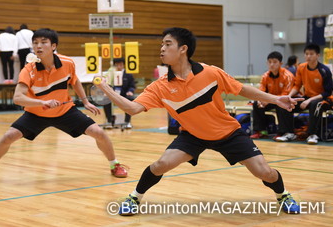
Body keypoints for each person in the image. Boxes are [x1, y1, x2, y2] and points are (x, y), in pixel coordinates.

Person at [95, 27, 301, 216]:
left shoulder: (210, 73)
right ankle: (134, 198)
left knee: (264, 172)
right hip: (193, 135)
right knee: (161, 164)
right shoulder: (159, 87)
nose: (162, 48)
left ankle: (283, 194)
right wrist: (106, 88)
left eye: (168, 44)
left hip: (227, 132)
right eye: (162, 44)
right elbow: (131, 108)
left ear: (183, 49)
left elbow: (241, 89)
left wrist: (276, 99)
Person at [0, 28, 128, 183]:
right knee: (9, 136)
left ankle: (114, 165)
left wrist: (85, 101)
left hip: (65, 111)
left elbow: (75, 81)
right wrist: (42, 102)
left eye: (43, 42)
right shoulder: (29, 70)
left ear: (53, 46)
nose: (38, 46)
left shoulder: (67, 63)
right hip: (36, 114)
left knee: (99, 133)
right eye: (35, 43)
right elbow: (18, 98)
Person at [288, 43, 333, 145]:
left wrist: (309, 100)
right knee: (288, 103)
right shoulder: (301, 67)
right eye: (306, 54)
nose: (308, 56)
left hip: (325, 99)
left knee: (315, 104)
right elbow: (297, 85)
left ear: (317, 55)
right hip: (307, 97)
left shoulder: (324, 70)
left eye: (311, 54)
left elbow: (327, 92)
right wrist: (289, 96)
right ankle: (289, 132)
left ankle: (313, 134)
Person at [250, 52, 295, 141]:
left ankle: (282, 132)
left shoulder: (288, 76)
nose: (271, 64)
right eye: (269, 62)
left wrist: (269, 100)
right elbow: (261, 91)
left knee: (281, 105)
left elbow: (285, 95)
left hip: (285, 100)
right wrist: (260, 100)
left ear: (281, 64)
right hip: (272, 100)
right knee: (256, 104)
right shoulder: (265, 76)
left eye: (274, 62)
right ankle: (261, 131)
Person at [103, 58, 136, 129]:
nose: (119, 66)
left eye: (120, 65)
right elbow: (107, 84)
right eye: (117, 65)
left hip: (124, 95)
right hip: (112, 94)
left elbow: (132, 86)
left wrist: (130, 91)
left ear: (124, 65)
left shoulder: (128, 75)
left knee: (130, 99)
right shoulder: (110, 75)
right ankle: (109, 121)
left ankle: (127, 122)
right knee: (105, 100)